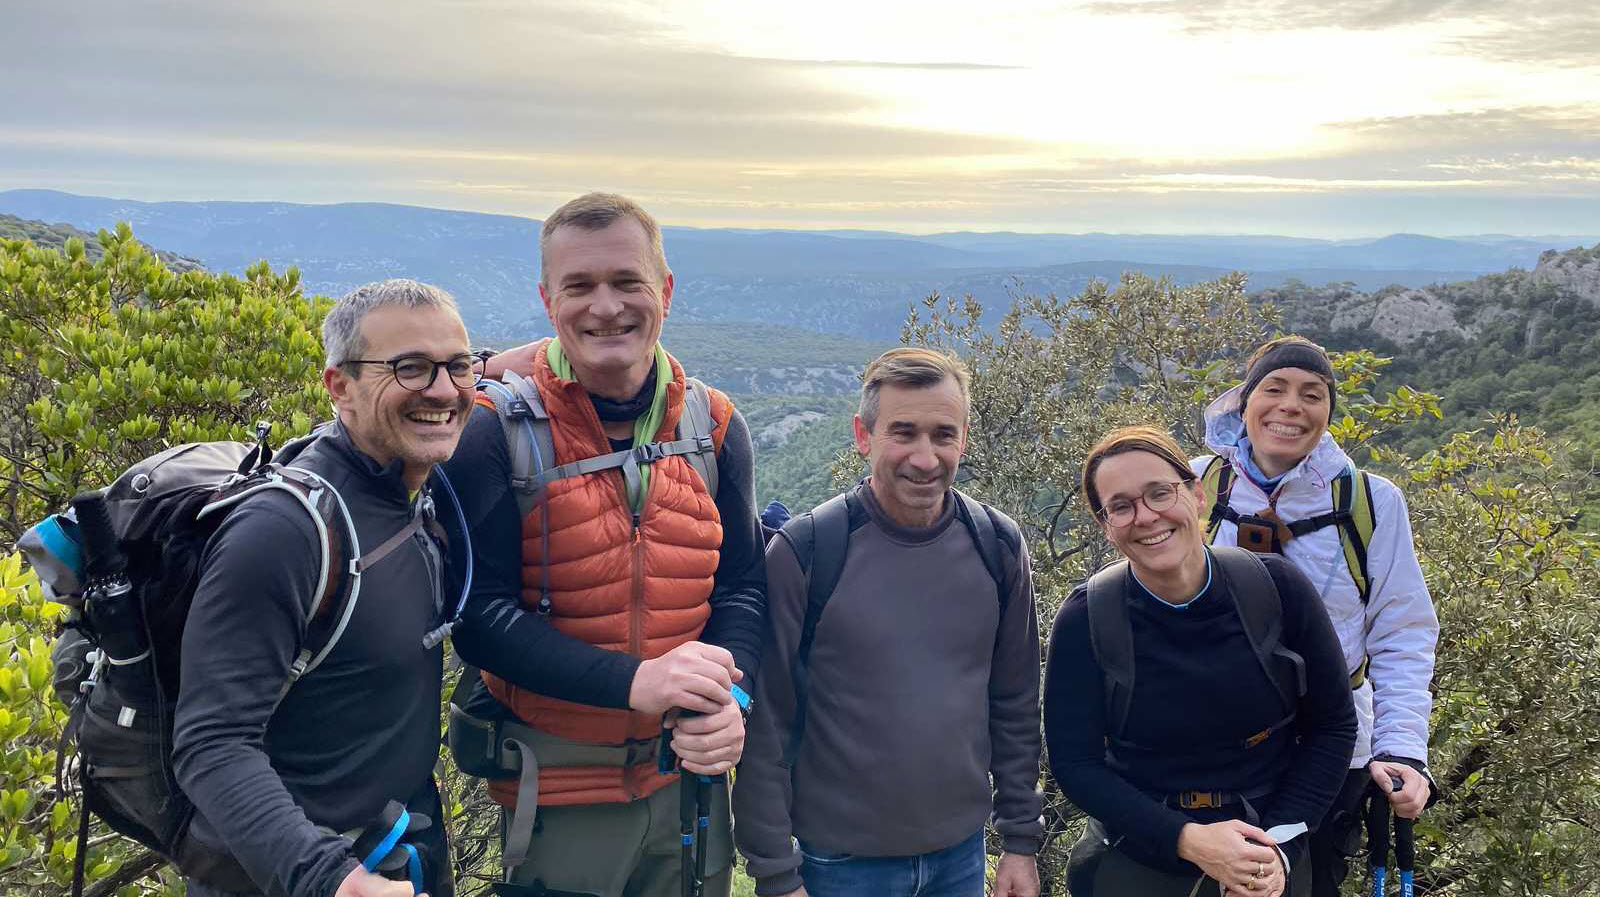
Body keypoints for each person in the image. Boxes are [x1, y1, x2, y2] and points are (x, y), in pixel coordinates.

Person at [443, 192, 766, 897]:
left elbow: (742, 585)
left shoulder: (713, 427)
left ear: (666, 290)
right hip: (557, 789)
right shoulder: (495, 433)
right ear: (547, 299)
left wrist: (729, 697)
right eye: (579, 286)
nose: (605, 307)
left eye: (627, 282)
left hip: (687, 778)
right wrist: (635, 682)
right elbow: (479, 618)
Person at [173, 279, 479, 897]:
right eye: (410, 369)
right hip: (298, 877)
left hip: (398, 852)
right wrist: (332, 879)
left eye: (457, 366)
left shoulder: (409, 486)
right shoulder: (285, 531)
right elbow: (210, 744)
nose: (444, 391)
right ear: (339, 386)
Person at [735, 347, 1044, 897]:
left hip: (962, 859)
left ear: (964, 439)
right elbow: (767, 725)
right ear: (863, 435)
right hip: (838, 866)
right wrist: (776, 874)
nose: (925, 458)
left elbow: (1015, 702)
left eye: (943, 435)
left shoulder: (996, 545)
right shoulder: (807, 551)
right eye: (903, 433)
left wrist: (1019, 842)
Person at [1045, 425, 1357, 897]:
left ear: (1196, 495)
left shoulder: (1275, 589)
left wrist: (1275, 849)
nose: (1146, 516)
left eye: (1159, 493)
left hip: (1269, 850)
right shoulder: (1088, 618)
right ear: (1106, 526)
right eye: (1122, 506)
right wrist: (1189, 840)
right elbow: (1076, 762)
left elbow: (1332, 727)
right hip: (1141, 857)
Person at [1191, 337, 1438, 896]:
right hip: (1213, 738)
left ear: (1328, 413)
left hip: (1331, 748)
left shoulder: (1370, 503)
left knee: (1310, 882)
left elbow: (1403, 631)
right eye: (1273, 389)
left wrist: (1400, 749)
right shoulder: (1199, 484)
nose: (1290, 406)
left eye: (1312, 394)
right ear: (1244, 403)